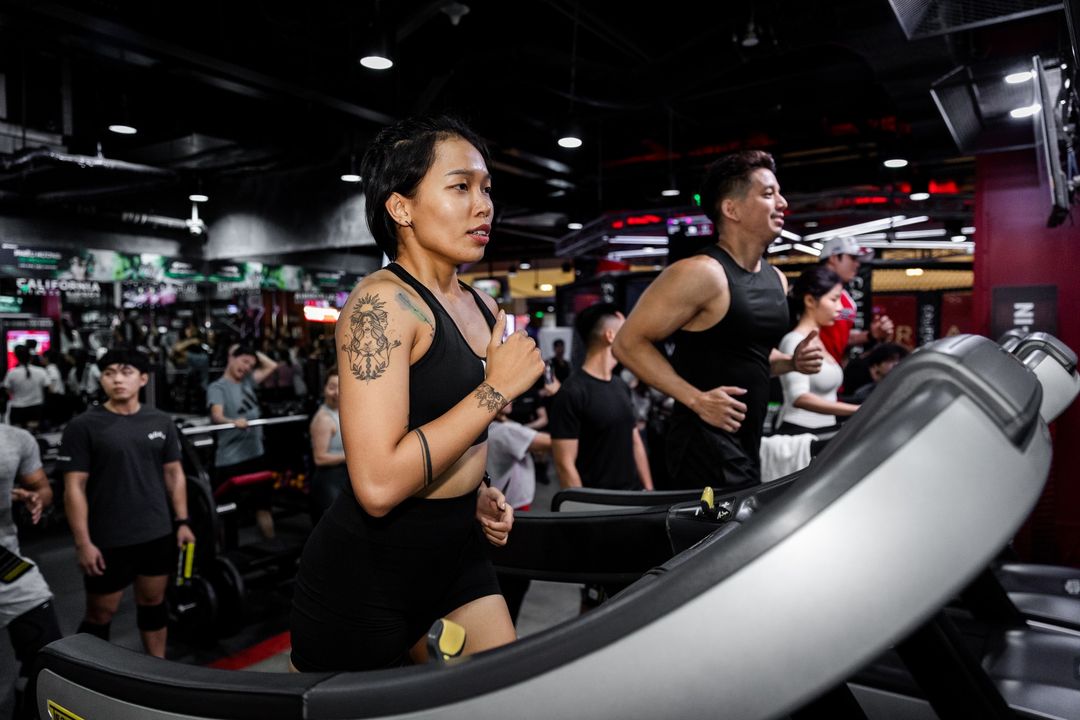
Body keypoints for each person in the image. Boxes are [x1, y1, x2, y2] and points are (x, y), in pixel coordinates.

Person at [290, 115, 542, 672]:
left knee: (506, 696)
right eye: (460, 187)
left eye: (486, 189)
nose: (484, 205)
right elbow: (378, 485)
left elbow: (455, 425)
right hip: (368, 572)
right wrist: (496, 389)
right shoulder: (380, 306)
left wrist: (477, 488)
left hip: (455, 550)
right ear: (401, 208)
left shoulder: (482, 306)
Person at [613, 150, 823, 489]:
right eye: (768, 194)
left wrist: (791, 363)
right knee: (718, 524)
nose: (782, 203)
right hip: (703, 445)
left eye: (779, 193)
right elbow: (627, 343)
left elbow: (747, 357)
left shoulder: (776, 279)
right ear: (731, 209)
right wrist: (696, 399)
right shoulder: (701, 273)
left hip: (749, 441)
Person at [58, 348, 195, 658]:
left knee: (153, 603)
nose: (117, 379)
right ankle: (90, 673)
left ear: (143, 379)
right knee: (101, 613)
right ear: (101, 379)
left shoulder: (160, 420)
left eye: (126, 372)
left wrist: (183, 522)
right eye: (109, 373)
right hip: (109, 537)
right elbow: (74, 487)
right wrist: (83, 543)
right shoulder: (83, 426)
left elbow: (174, 474)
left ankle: (157, 668)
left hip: (156, 532)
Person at [549, 303, 654, 492]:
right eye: (625, 329)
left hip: (632, 495)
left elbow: (635, 440)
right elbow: (565, 465)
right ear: (610, 335)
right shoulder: (572, 392)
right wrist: (584, 507)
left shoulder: (620, 385)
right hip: (599, 500)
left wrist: (648, 489)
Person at [1, 423, 61, 720]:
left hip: (5, 562)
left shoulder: (16, 439)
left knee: (46, 655)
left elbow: (43, 490)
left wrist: (34, 498)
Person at [486, 401, 551, 622]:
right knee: (514, 585)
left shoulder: (499, 427)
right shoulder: (503, 431)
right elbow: (554, 443)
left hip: (508, 512)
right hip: (511, 517)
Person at [775, 266, 860, 435]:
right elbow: (798, 397)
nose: (840, 308)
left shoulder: (819, 341)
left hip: (822, 431)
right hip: (799, 433)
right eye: (834, 299)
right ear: (810, 301)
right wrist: (858, 410)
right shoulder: (794, 341)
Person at [206, 344, 279, 539]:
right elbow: (216, 416)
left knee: (263, 507)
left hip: (256, 454)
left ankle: (271, 546)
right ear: (231, 358)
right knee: (228, 513)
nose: (247, 367)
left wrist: (252, 351)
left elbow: (272, 366)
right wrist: (233, 422)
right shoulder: (218, 387)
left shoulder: (248, 382)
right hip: (231, 459)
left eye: (251, 365)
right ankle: (228, 552)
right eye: (244, 361)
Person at [816, 236, 895, 364]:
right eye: (853, 258)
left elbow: (841, 336)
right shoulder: (811, 290)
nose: (857, 264)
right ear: (834, 258)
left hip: (833, 370)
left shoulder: (846, 298)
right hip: (811, 367)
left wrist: (871, 334)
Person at [307, 367, 348, 524]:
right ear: (324, 389)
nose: (336, 392)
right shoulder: (323, 419)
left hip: (342, 478)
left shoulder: (342, 412)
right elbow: (319, 458)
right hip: (328, 482)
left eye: (340, 387)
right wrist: (352, 456)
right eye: (331, 387)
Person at [3, 347, 48, 430]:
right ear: (30, 357)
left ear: (16, 357)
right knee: (33, 433)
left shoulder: (11, 373)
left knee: (18, 434)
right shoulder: (41, 371)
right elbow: (47, 388)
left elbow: (7, 390)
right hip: (36, 407)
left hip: (17, 408)